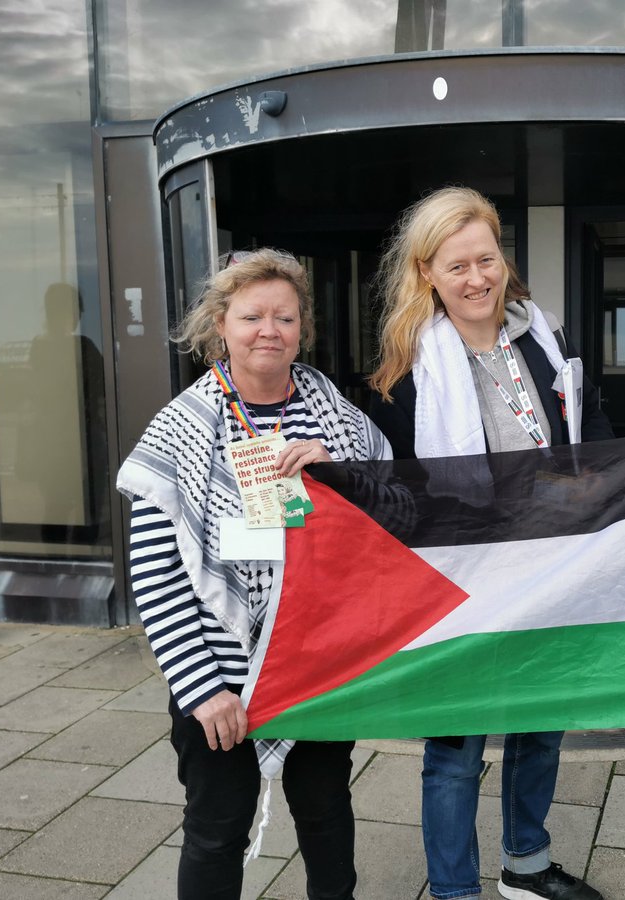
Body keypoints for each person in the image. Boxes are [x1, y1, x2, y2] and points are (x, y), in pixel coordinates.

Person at [117, 249, 391, 900]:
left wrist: (340, 476)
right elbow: (156, 575)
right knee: (217, 830)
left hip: (318, 668)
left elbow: (400, 512)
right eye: (252, 316)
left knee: (327, 815)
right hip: (224, 682)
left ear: (302, 328)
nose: (270, 330)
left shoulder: (334, 413)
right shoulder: (182, 429)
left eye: (285, 317)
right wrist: (202, 687)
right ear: (220, 324)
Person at [368, 186, 611, 900]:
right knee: (455, 751)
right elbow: (401, 495)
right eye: (457, 266)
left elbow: (589, 419)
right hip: (461, 586)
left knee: (541, 729)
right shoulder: (405, 374)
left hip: (551, 571)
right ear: (427, 275)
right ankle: (453, 892)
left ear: (503, 258)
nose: (477, 278)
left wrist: (597, 478)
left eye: (487, 259)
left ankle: (527, 869)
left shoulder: (545, 337)